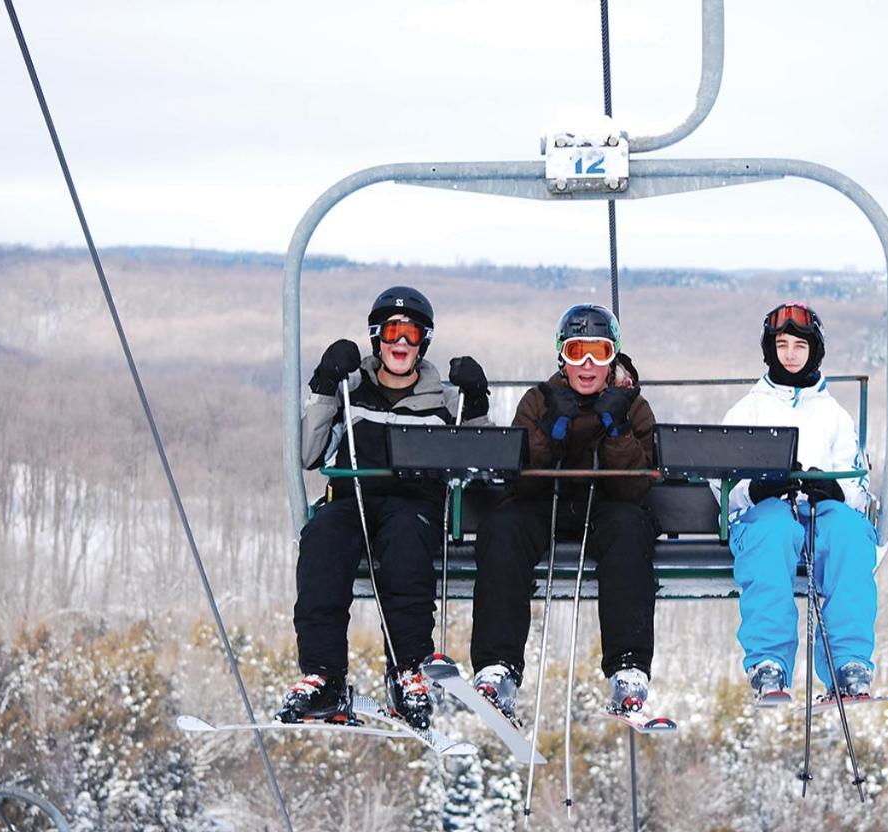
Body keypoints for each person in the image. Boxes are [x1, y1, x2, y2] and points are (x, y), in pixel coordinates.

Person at [275, 286, 492, 729]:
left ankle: (407, 668)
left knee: (406, 543)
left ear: (424, 341)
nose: (401, 344)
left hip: (412, 507)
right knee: (321, 540)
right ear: (376, 337)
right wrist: (323, 388)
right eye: (392, 332)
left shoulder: (443, 402)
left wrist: (477, 403)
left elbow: (485, 463)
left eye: (411, 334)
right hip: (353, 501)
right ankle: (323, 675)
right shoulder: (352, 393)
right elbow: (310, 454)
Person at [468, 304, 658, 719]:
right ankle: (497, 666)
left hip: (606, 505)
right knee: (502, 529)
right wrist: (551, 433)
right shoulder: (539, 401)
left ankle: (628, 668)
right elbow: (519, 479)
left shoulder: (633, 406)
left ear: (613, 358)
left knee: (631, 529)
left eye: (599, 353)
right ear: (562, 356)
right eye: (577, 353)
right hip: (545, 501)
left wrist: (617, 429)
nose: (587, 366)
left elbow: (635, 489)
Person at [715, 301, 878, 702]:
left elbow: (857, 479)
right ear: (770, 350)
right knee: (771, 534)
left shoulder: (833, 414)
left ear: (813, 351)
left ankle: (848, 661)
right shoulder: (747, 411)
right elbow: (718, 482)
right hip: (765, 515)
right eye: (782, 345)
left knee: (849, 537)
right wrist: (754, 490)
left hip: (821, 513)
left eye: (799, 346)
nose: (790, 354)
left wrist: (835, 491)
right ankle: (769, 662)